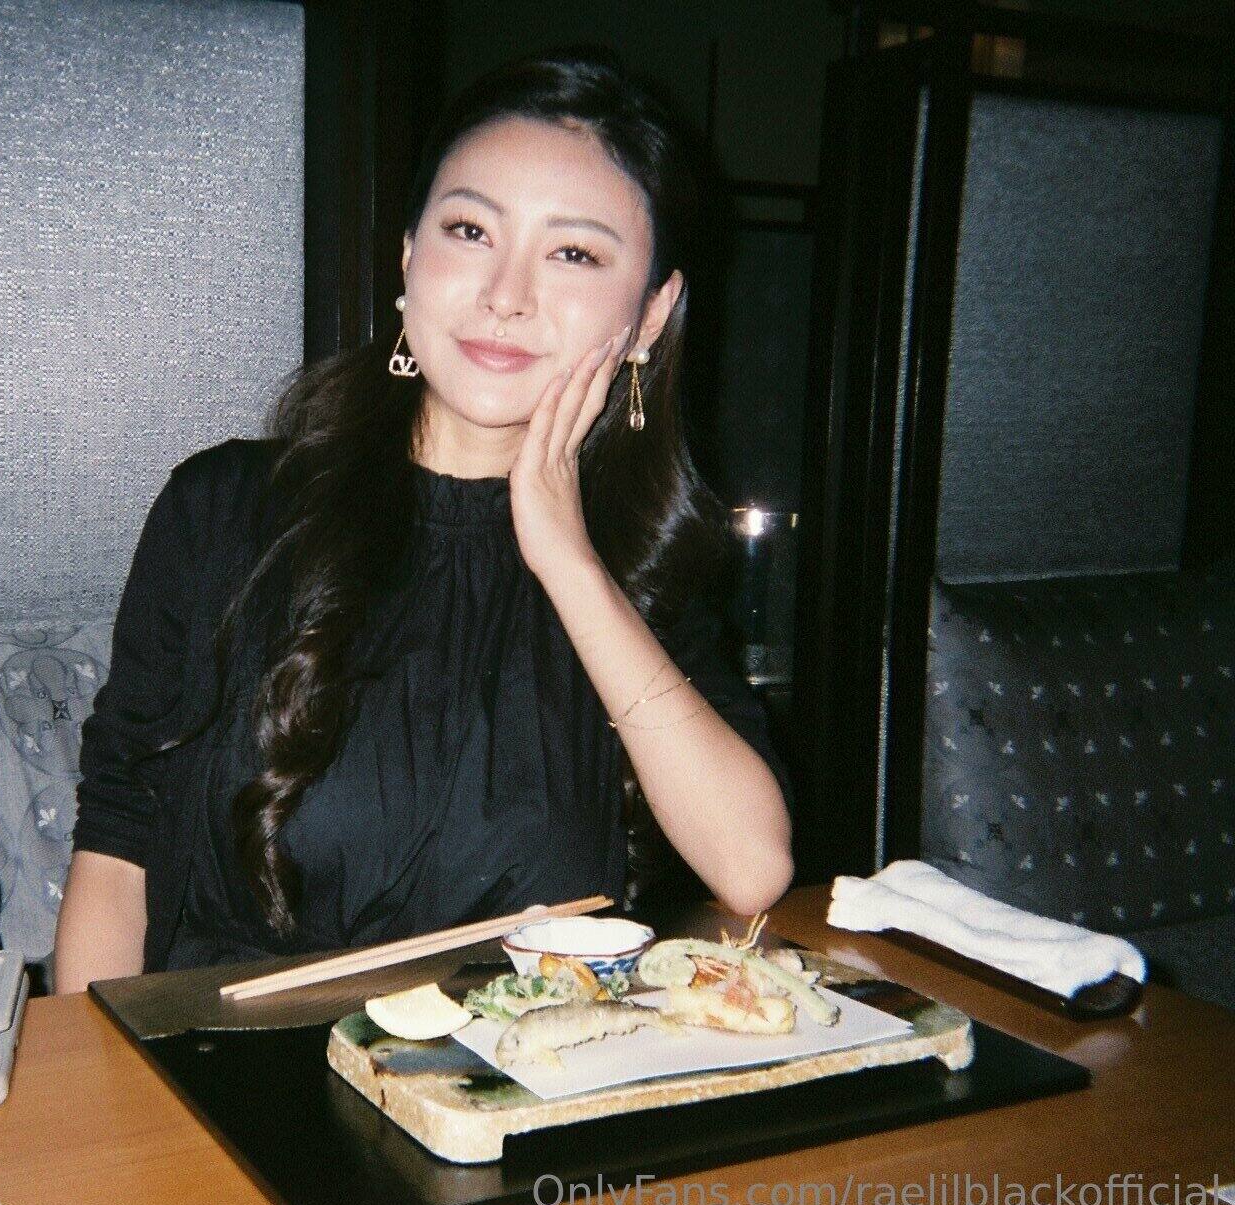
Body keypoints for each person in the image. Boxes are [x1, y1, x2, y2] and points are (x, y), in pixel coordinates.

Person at [53, 49, 795, 991]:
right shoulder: (223, 510)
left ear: (651, 315)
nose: (506, 295)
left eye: (573, 253)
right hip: (228, 1065)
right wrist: (100, 1075)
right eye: (470, 231)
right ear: (409, 256)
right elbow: (117, 852)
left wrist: (568, 561)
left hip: (520, 1073)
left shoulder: (636, 565)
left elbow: (751, 866)